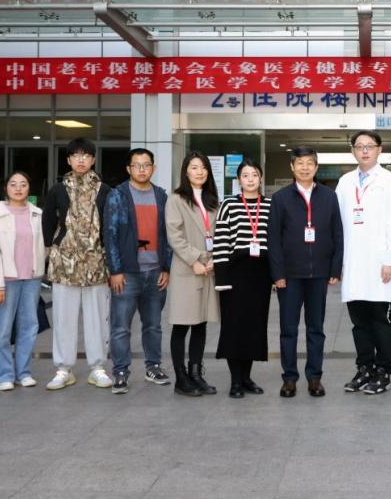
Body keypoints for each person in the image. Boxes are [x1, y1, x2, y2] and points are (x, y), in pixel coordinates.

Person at [269, 146, 343, 398]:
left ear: (316, 167)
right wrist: (277, 274)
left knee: (316, 329)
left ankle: (314, 378)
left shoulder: (329, 197)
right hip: (289, 276)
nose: (305, 167)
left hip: (319, 274)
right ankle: (289, 378)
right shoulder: (280, 198)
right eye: (300, 163)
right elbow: (273, 239)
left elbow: (337, 233)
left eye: (310, 163)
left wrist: (335, 268)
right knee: (288, 329)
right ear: (292, 167)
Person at [336, 130, 391, 395]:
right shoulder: (345, 182)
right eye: (359, 146)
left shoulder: (390, 181)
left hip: (379, 264)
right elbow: (337, 224)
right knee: (359, 322)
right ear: (353, 150)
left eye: (370, 146)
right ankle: (364, 368)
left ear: (379, 150)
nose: (364, 150)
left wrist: (390, 261)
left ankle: (383, 371)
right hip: (353, 263)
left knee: (380, 320)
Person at [43, 138, 112, 391]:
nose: (81, 160)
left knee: (97, 319)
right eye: (76, 155)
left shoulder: (105, 190)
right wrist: (52, 251)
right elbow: (48, 223)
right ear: (68, 160)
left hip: (96, 263)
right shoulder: (57, 190)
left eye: (86, 155)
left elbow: (110, 225)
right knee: (64, 319)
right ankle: (64, 369)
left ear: (93, 160)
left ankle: (98, 368)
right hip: (65, 264)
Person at [104, 148, 172, 395]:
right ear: (128, 169)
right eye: (137, 165)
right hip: (127, 273)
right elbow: (110, 234)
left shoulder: (161, 196)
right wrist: (115, 270)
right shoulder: (118, 195)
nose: (142, 169)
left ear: (153, 168)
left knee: (153, 325)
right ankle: (120, 372)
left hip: (155, 272)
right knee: (121, 327)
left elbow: (168, 235)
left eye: (146, 165)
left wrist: (166, 267)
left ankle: (153, 367)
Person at [214, 159, 272, 398]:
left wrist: (275, 275)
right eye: (245, 175)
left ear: (260, 178)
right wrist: (221, 278)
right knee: (234, 328)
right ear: (238, 180)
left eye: (254, 175)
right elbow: (221, 241)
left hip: (260, 275)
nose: (250, 179)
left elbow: (275, 241)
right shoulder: (229, 205)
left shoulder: (270, 205)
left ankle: (247, 378)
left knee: (254, 328)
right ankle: (235, 381)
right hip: (235, 274)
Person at [165, 151, 222, 396]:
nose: (200, 172)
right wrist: (195, 259)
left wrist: (215, 258)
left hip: (209, 269)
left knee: (201, 324)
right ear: (186, 171)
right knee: (182, 324)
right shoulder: (176, 199)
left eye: (203, 167)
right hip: (187, 269)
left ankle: (196, 374)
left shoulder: (213, 201)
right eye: (194, 167)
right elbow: (174, 236)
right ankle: (181, 378)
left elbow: (220, 233)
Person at [0, 171, 46, 392]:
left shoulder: (37, 214)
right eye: (13, 184)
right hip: (6, 281)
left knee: (29, 327)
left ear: (29, 188)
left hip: (31, 279)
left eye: (23, 184)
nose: (18, 188)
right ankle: (4, 375)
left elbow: (43, 246)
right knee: (3, 330)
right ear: (6, 188)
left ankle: (23, 373)